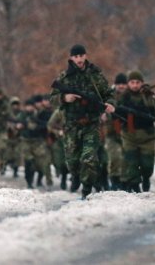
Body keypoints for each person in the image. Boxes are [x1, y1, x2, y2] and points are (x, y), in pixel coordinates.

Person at [50, 44, 116, 199]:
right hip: (71, 125)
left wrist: (110, 104)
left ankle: (86, 189)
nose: (79, 59)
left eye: (81, 56)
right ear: (72, 58)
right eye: (76, 56)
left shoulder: (95, 75)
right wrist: (64, 98)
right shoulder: (64, 77)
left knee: (89, 158)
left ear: (85, 56)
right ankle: (76, 176)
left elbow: (107, 93)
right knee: (72, 161)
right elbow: (52, 99)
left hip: (91, 124)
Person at [118, 70, 155, 192]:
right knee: (131, 162)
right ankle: (135, 185)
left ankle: (146, 178)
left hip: (147, 135)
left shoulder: (147, 95)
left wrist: (147, 96)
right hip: (129, 135)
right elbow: (116, 114)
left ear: (142, 83)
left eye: (137, 82)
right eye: (132, 82)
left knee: (147, 164)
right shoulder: (123, 97)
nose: (135, 85)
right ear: (128, 83)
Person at [104, 73, 128, 190]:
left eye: (124, 84)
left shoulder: (131, 95)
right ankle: (114, 181)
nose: (122, 86)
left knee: (125, 159)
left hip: (127, 132)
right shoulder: (109, 96)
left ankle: (124, 182)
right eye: (119, 84)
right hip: (111, 132)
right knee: (114, 157)